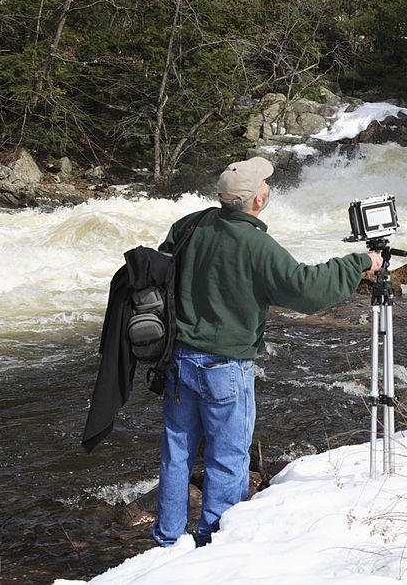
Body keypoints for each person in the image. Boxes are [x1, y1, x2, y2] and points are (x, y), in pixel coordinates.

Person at [152, 156, 383, 548]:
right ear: (256, 201)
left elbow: (164, 269)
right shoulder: (257, 245)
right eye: (266, 185)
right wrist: (359, 261)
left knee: (177, 453)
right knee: (227, 460)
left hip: (179, 360)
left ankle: (167, 540)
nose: (269, 188)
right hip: (226, 367)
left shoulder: (189, 225)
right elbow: (307, 289)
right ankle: (212, 545)